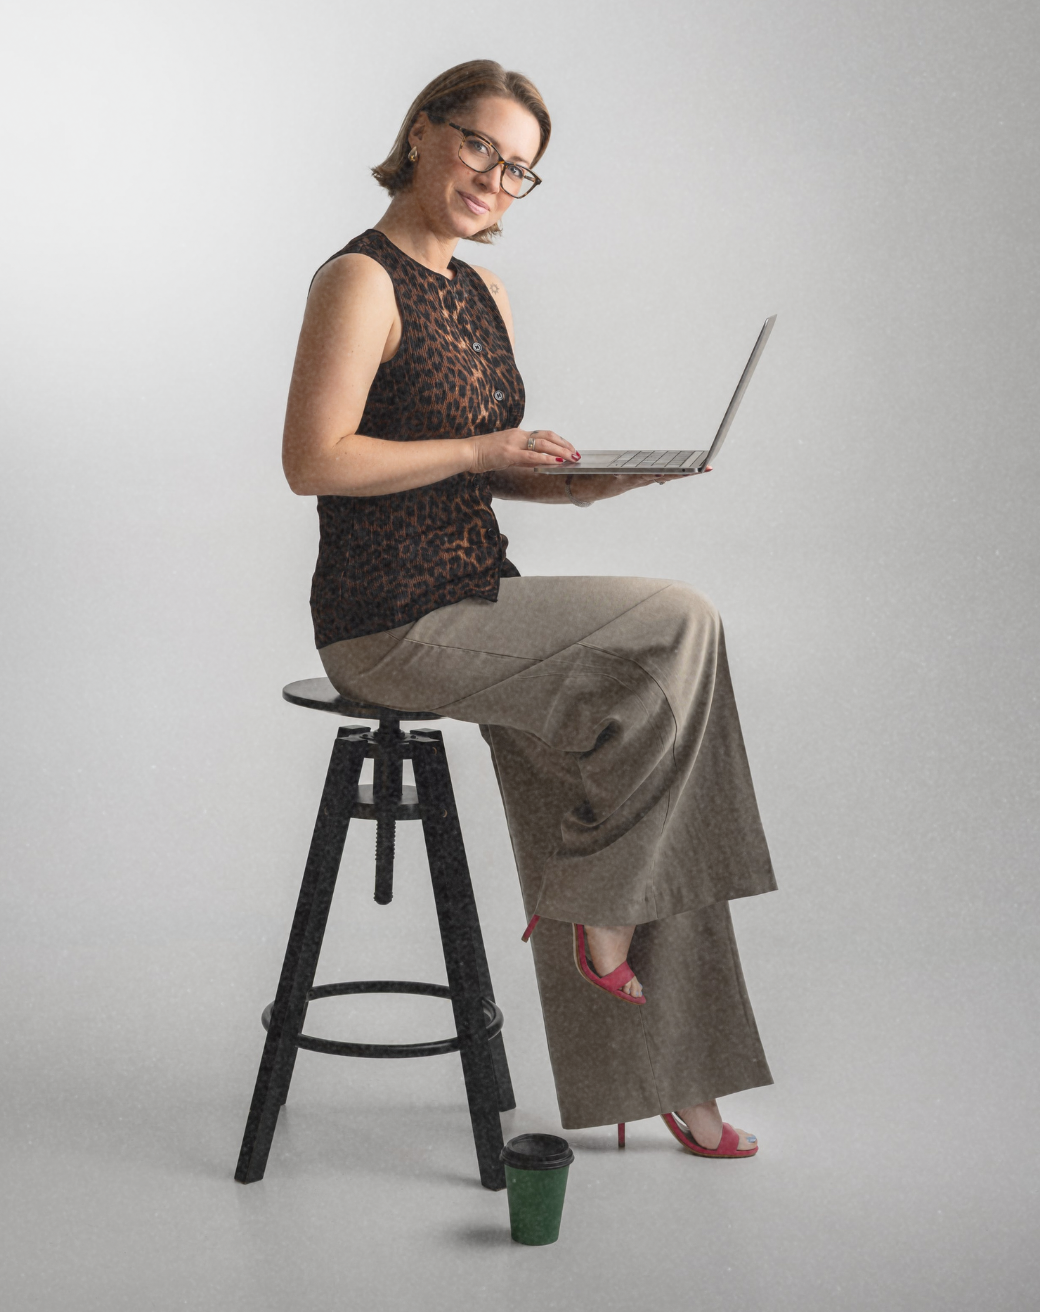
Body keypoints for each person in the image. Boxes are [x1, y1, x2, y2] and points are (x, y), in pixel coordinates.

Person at [281, 59, 776, 1158]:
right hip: (388, 626)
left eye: (520, 171)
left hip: (477, 598)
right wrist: (481, 448)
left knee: (661, 756)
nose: (494, 180)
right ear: (421, 133)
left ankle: (672, 1078)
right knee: (680, 623)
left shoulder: (481, 292)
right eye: (480, 149)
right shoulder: (358, 281)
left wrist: (572, 480)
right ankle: (603, 905)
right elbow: (313, 460)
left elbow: (461, 467)